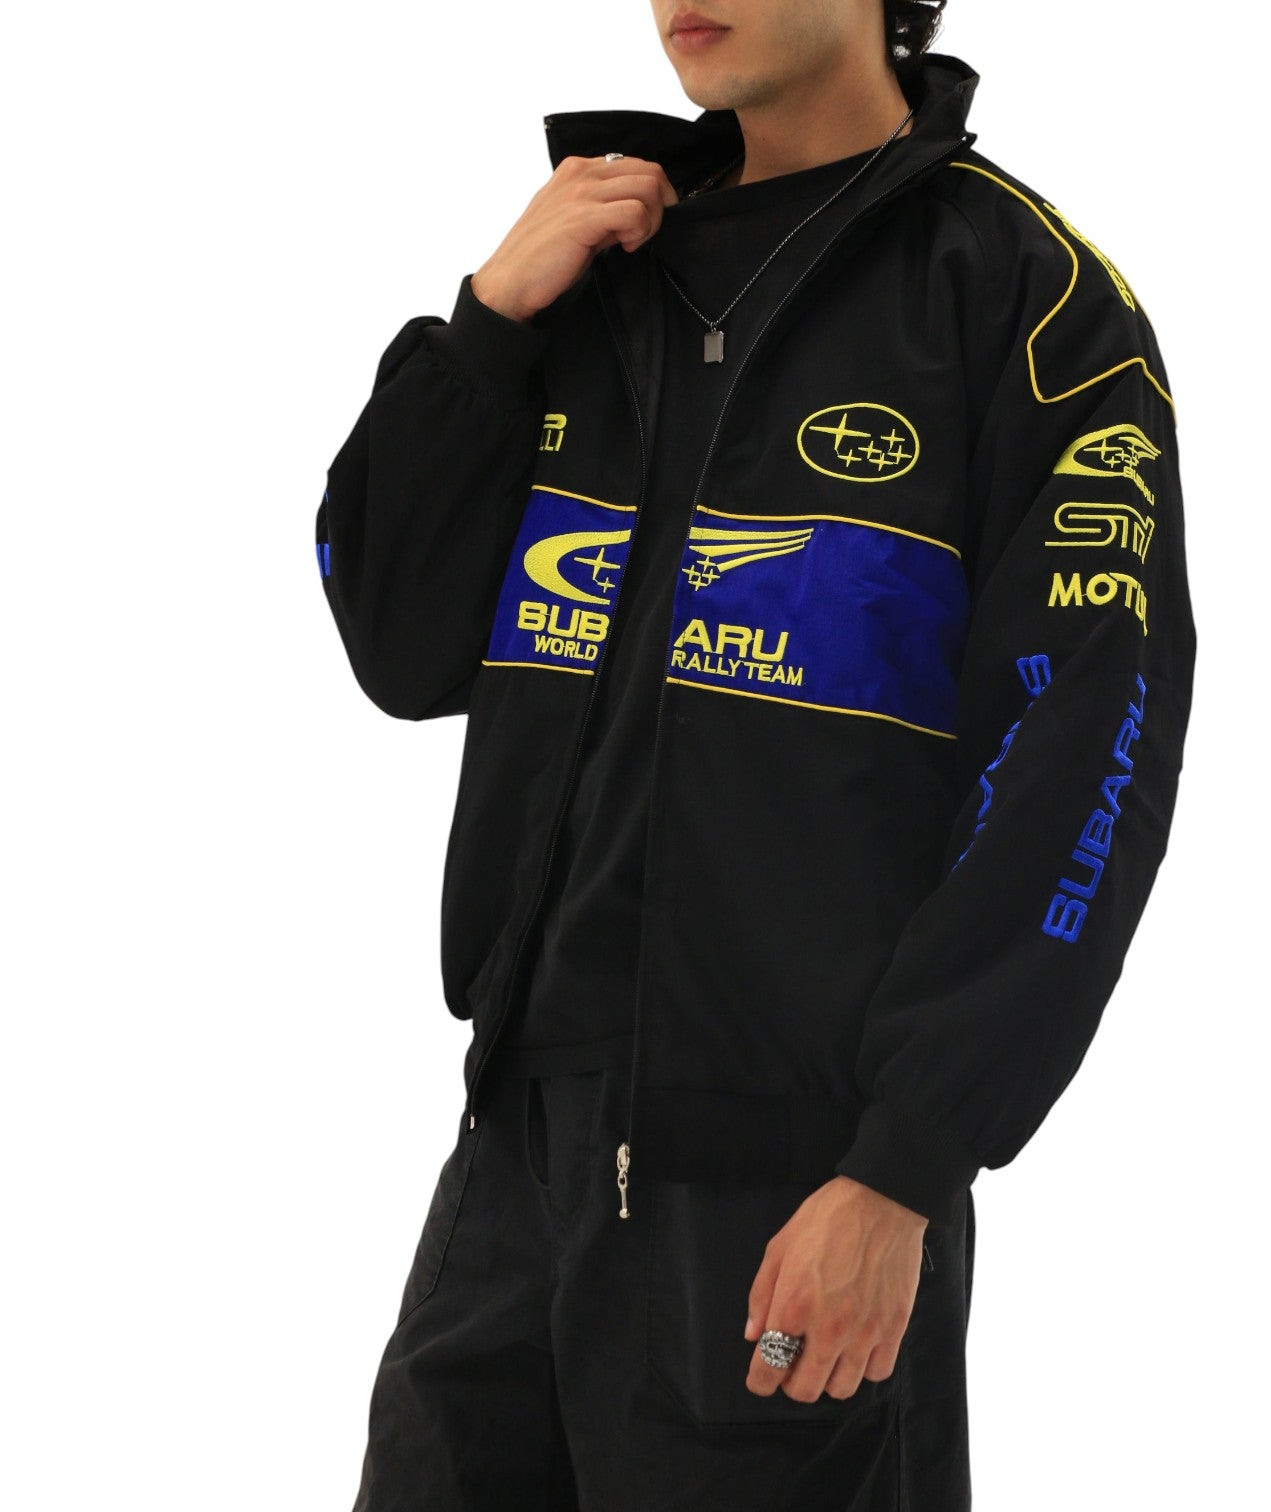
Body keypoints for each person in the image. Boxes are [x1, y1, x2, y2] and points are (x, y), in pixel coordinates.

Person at [314, 1, 1196, 1506]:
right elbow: (399, 645)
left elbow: (1084, 754)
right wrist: (485, 329)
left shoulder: (1028, 300)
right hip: (513, 1162)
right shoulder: (594, 272)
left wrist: (906, 1162)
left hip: (797, 1188)